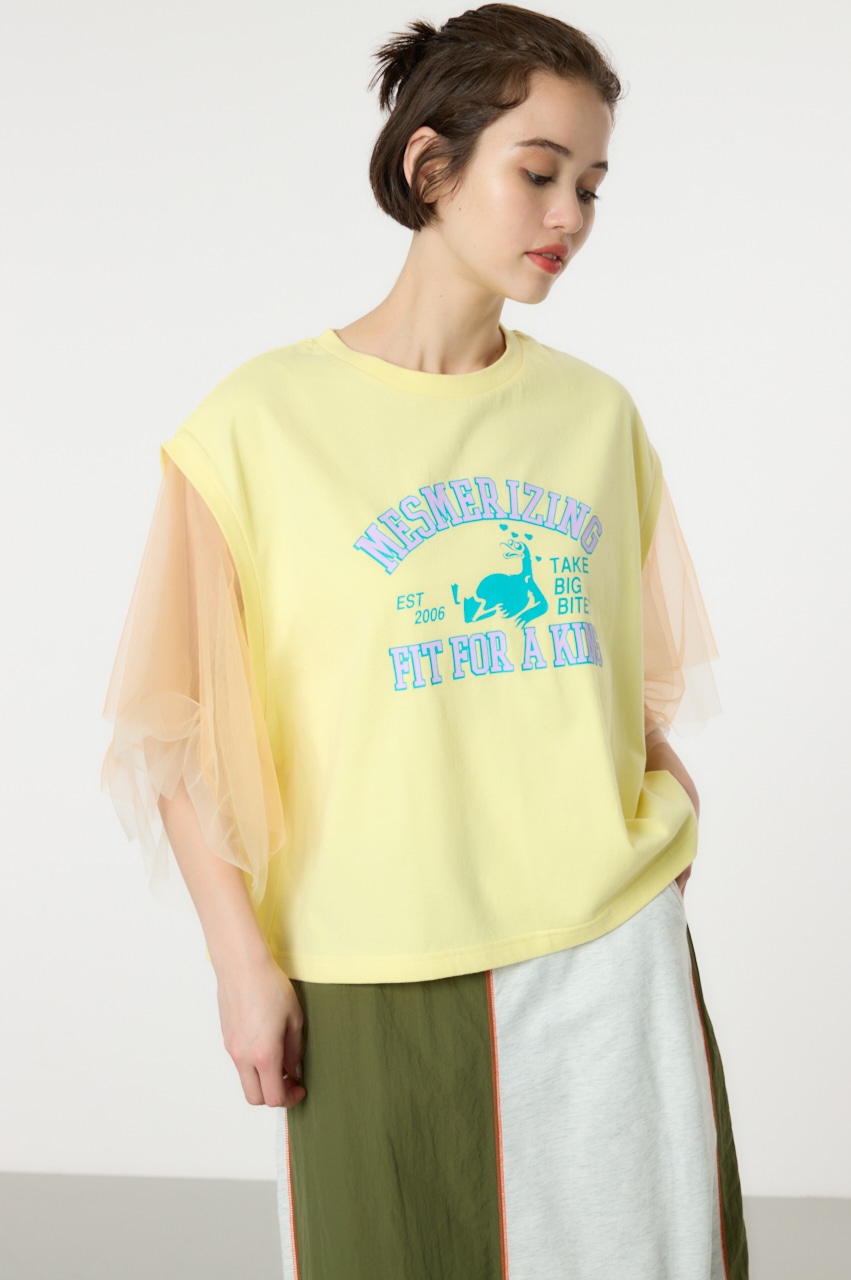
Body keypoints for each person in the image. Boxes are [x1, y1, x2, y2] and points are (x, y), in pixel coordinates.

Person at [102, 5, 749, 1277]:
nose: (568, 215)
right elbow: (178, 734)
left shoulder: (593, 417)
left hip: (604, 940)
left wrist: (660, 771)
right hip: (366, 950)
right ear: (430, 165)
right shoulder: (254, 427)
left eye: (591, 185)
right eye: (538, 173)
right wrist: (240, 963)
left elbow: (616, 676)